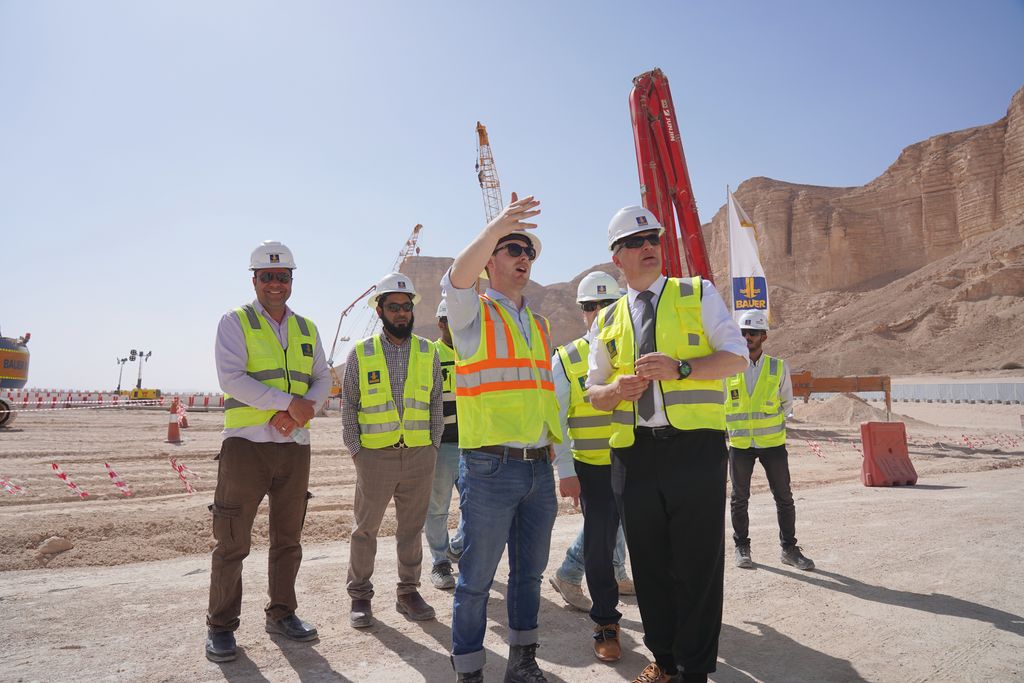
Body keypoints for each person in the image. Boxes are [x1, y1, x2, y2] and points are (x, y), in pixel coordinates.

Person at [587, 207, 748, 683]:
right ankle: (665, 660)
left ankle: (695, 670)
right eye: (636, 241)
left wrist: (682, 368)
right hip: (633, 456)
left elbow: (737, 358)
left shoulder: (697, 293)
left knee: (697, 565)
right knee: (650, 565)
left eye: (653, 237)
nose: (649, 246)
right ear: (618, 257)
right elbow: (593, 391)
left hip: (695, 450)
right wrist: (615, 391)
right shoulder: (608, 318)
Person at [442, 193, 560, 683]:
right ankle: (469, 670)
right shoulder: (472, 317)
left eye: (527, 251)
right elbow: (455, 278)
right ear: (490, 260)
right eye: (512, 249)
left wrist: (556, 455)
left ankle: (522, 662)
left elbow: (544, 396)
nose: (522, 258)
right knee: (475, 582)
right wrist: (495, 227)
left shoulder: (539, 324)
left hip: (537, 467)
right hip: (490, 468)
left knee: (528, 576)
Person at [206, 240, 330, 663]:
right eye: (267, 277)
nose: (275, 284)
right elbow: (232, 379)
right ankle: (221, 626)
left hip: (294, 446)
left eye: (283, 276)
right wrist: (286, 404)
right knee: (232, 540)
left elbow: (323, 380)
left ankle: (283, 613)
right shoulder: (235, 321)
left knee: (288, 538)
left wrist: (298, 415)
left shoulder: (307, 328)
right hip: (246, 446)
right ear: (254, 279)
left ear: (291, 280)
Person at [341, 272, 444, 628]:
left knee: (411, 529)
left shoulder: (428, 352)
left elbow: (434, 404)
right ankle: (360, 595)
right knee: (365, 529)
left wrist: (432, 445)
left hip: (419, 455)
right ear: (380, 309)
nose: (401, 313)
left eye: (406, 307)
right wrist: (357, 450)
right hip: (375, 456)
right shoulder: (362, 353)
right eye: (393, 307)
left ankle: (408, 591)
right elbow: (349, 405)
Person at [550, 271, 634, 663]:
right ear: (581, 311)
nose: (598, 312)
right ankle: (605, 623)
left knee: (649, 542)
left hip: (637, 462)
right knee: (599, 547)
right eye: (590, 306)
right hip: (594, 469)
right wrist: (566, 471)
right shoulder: (566, 359)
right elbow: (558, 422)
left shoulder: (636, 346)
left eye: (607, 305)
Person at [727, 310, 814, 571]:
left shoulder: (778, 367)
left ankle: (789, 549)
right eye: (743, 332)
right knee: (739, 499)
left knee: (784, 498)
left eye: (752, 332)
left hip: (772, 444)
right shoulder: (729, 366)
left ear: (764, 336)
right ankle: (742, 547)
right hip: (740, 445)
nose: (747, 337)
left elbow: (787, 403)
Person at [426, 298, 466, 590]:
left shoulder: (474, 353)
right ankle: (440, 561)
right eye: (452, 320)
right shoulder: (430, 355)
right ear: (441, 323)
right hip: (442, 445)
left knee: (477, 507)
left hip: (475, 444)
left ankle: (458, 547)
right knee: (438, 508)